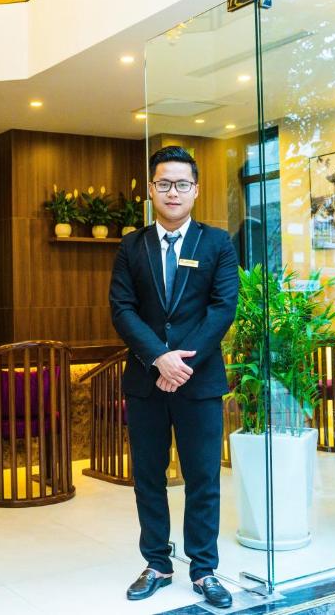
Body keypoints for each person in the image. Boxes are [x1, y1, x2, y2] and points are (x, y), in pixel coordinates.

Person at [109, 146, 239, 609]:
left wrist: (181, 364)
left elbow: (222, 309)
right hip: (146, 381)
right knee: (148, 477)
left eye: (182, 184)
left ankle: (204, 570)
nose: (173, 192)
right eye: (164, 183)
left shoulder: (217, 243)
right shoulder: (132, 245)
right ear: (151, 189)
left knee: (203, 478)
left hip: (198, 383)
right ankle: (157, 564)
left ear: (196, 190)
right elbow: (122, 309)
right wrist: (159, 358)